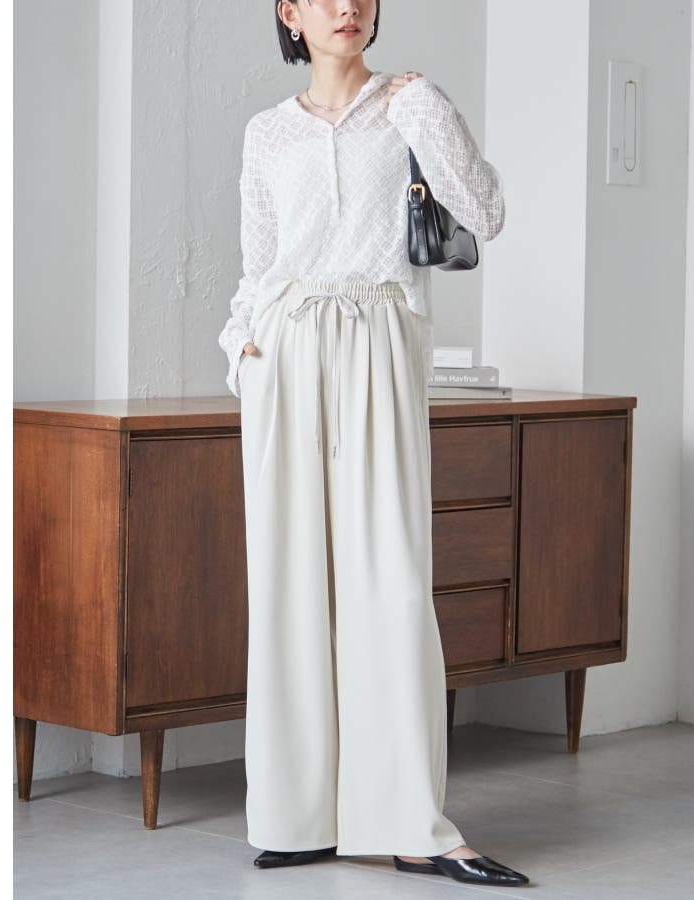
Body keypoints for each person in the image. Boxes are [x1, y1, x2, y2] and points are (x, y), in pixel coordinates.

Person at [217, 0, 528, 888]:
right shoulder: (267, 134)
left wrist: (426, 114)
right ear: (290, 14)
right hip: (284, 351)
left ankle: (411, 825)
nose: (346, 7)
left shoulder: (409, 105)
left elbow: (486, 213)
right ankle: (298, 815)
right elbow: (259, 264)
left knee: (389, 580)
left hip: (380, 341)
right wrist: (241, 349)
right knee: (290, 581)